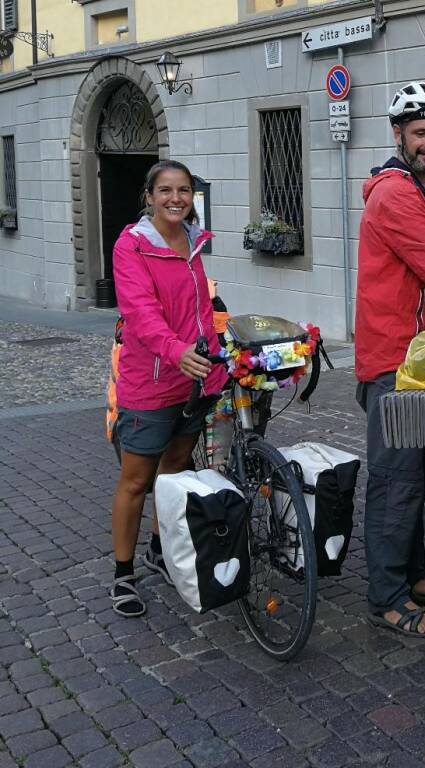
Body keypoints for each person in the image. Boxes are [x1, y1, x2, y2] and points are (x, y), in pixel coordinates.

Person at [354, 81, 425, 638]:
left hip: (423, 363)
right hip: (394, 363)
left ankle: (416, 573)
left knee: (424, 474)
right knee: (397, 482)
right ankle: (387, 596)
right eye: (420, 133)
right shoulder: (396, 195)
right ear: (398, 135)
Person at [109, 160, 226, 617]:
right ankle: (122, 574)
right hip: (152, 382)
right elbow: (140, 313)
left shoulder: (195, 242)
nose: (175, 198)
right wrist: (175, 351)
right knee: (136, 481)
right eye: (166, 190)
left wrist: (219, 362)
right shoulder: (132, 246)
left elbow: (201, 313)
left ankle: (158, 549)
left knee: (175, 471)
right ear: (149, 196)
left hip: (194, 379)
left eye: (184, 190)